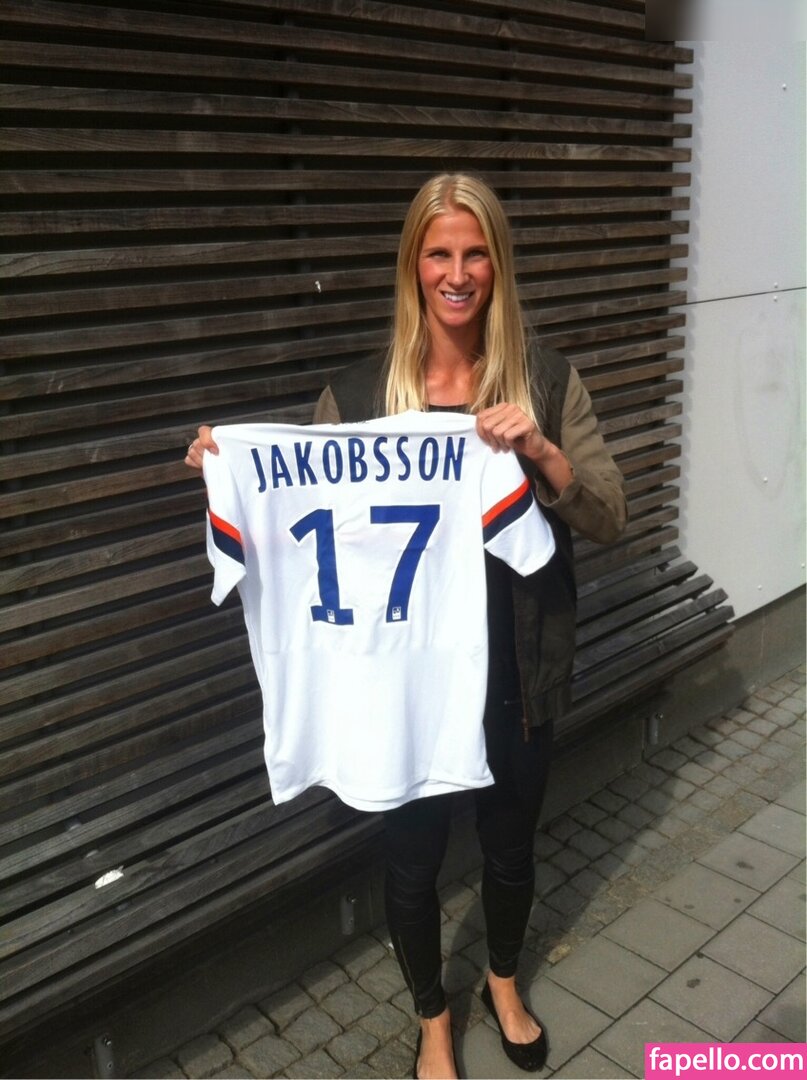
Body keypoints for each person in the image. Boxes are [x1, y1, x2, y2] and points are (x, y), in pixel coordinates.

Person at [186, 173, 627, 1079]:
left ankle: (502, 981)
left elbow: (609, 515)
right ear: (412, 265)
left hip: (517, 667)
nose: (456, 273)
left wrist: (540, 450)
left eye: (475, 254)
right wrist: (227, 473)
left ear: (498, 265)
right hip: (404, 677)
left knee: (510, 848)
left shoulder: (545, 381)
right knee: (412, 861)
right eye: (438, 254)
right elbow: (303, 528)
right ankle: (431, 1014)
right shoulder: (356, 398)